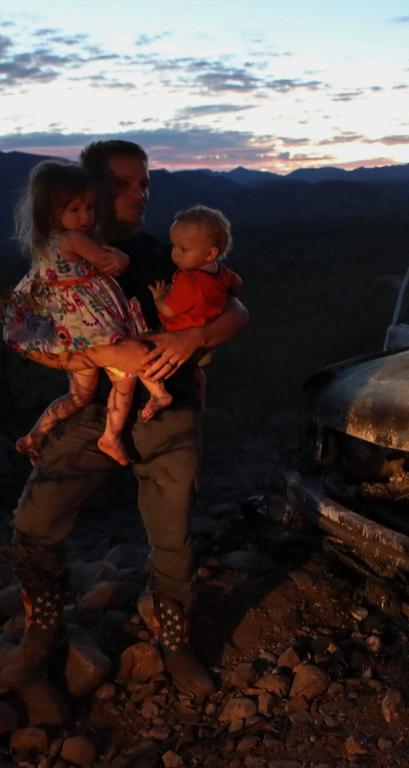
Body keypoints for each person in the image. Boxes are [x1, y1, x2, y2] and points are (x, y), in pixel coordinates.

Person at [0, 140, 249, 698]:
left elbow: (237, 307)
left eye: (145, 185)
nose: (140, 194)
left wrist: (195, 337)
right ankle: (42, 635)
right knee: (36, 520)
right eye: (126, 184)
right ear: (87, 193)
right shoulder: (57, 261)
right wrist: (97, 356)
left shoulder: (159, 253)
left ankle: (176, 638)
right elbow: (23, 336)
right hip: (95, 411)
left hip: (167, 407)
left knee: (173, 534)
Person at [3, 161, 172, 467]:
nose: (85, 216)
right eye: (75, 209)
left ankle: (34, 435)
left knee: (79, 396)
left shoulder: (46, 243)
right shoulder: (75, 239)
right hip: (95, 322)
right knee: (125, 374)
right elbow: (112, 264)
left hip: (72, 331)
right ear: (51, 211)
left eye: (90, 208)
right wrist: (120, 255)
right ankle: (112, 435)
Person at [149, 205, 242, 401]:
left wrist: (159, 296)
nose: (174, 253)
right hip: (207, 344)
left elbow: (168, 311)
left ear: (210, 254)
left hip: (178, 337)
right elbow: (237, 284)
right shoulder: (221, 271)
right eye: (173, 245)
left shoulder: (188, 280)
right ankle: (196, 379)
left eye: (183, 249)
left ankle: (157, 395)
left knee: (144, 355)